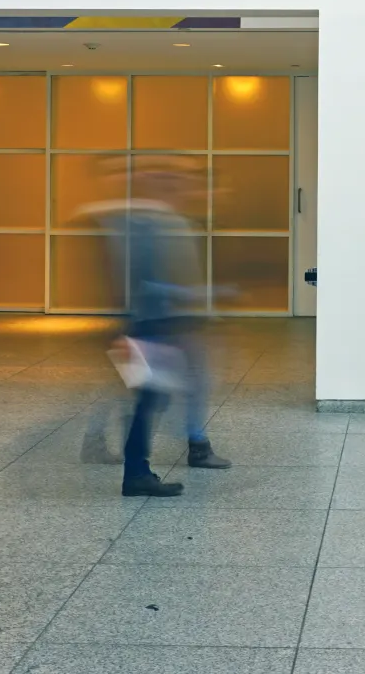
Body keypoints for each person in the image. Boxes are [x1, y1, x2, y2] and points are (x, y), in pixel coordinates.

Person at [102, 158, 231, 498]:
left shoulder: (157, 222)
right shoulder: (145, 226)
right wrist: (198, 296)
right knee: (149, 400)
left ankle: (142, 469)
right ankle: (138, 473)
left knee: (151, 400)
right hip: (148, 326)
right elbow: (143, 281)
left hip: (159, 324)